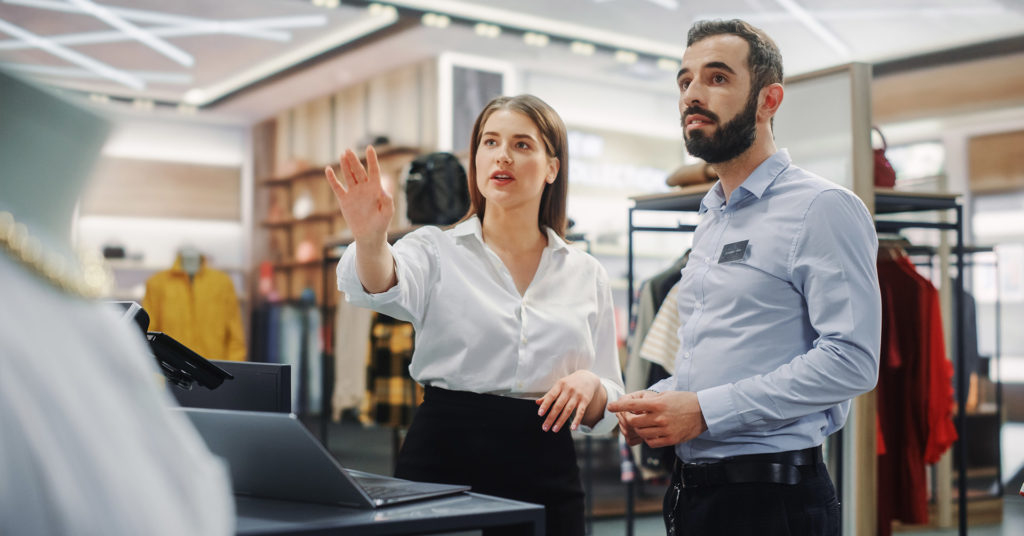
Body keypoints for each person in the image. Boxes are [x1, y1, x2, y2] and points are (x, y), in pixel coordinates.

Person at [608, 19, 881, 535]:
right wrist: (665, 402)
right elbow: (722, 351)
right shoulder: (713, 215)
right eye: (684, 81)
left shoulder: (822, 207)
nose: (692, 94)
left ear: (768, 100)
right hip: (694, 491)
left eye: (716, 78)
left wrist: (705, 412)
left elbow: (853, 361)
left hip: (773, 498)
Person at [326, 94, 624, 536]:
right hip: (445, 457)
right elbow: (377, 284)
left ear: (552, 168)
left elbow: (611, 396)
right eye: (490, 142)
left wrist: (592, 385)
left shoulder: (586, 273)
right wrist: (370, 241)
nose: (502, 155)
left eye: (522, 145)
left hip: (546, 464)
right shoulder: (435, 249)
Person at [0, 71, 233, 534]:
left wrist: (235, 362)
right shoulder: (60, 314)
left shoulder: (93, 317)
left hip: (206, 366)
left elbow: (233, 327)